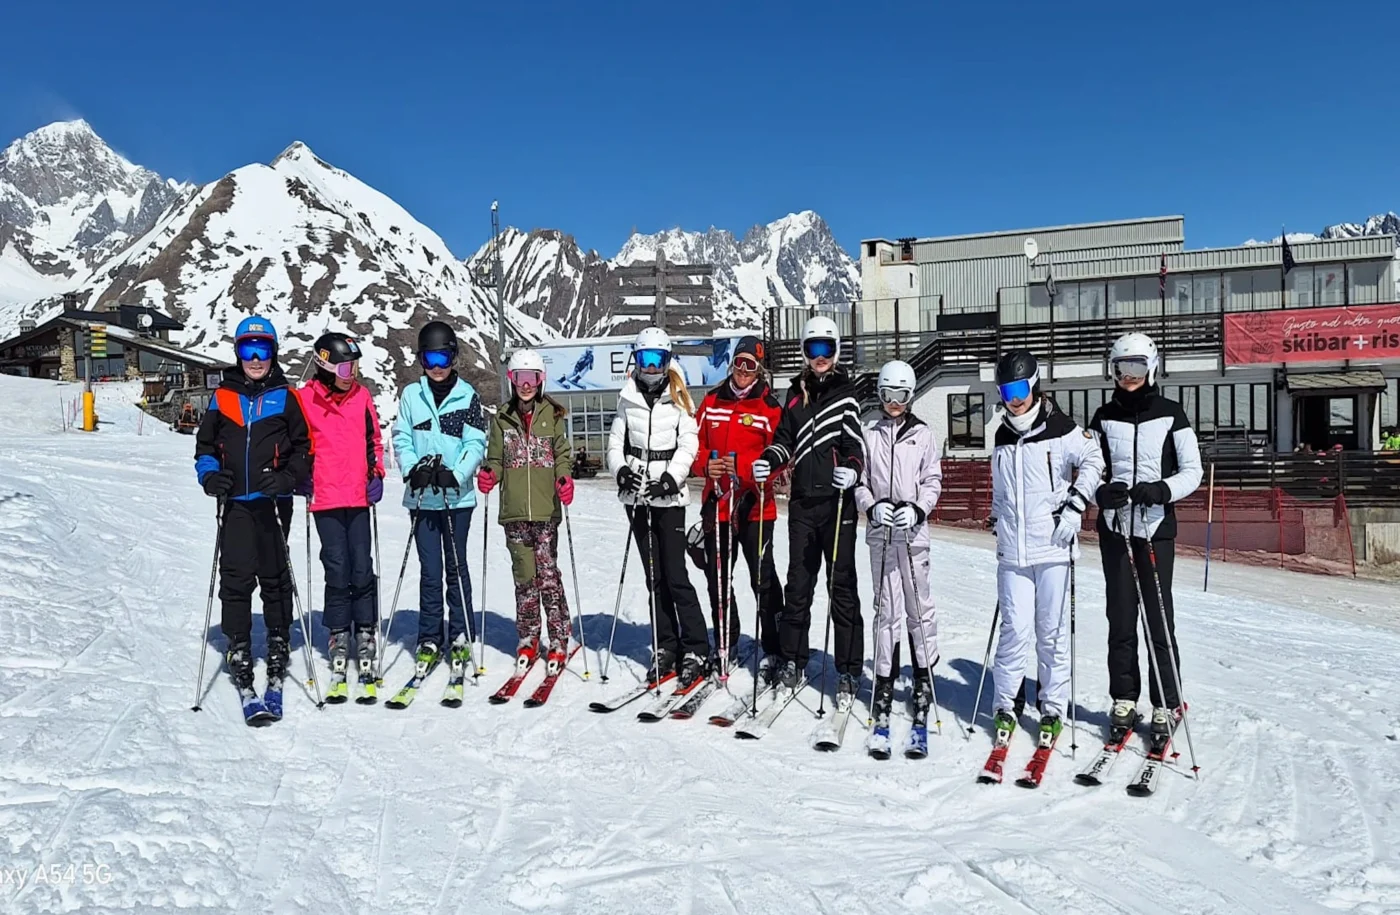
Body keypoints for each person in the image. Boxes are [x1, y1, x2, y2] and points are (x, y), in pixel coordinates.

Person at [987, 350, 1103, 754]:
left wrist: (1075, 506)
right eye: (1006, 391)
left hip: (1053, 547)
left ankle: (1052, 707)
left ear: (1034, 385)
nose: (1014, 399)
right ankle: (1005, 704)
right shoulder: (1001, 434)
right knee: (1014, 632)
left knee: (1050, 635)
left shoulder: (1061, 427)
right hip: (1013, 553)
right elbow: (1002, 492)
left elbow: (1092, 459)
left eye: (1020, 389)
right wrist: (997, 519)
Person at [194, 316, 311, 713]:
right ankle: (239, 644)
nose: (256, 358)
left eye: (263, 349)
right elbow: (205, 446)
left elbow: (303, 448)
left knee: (276, 574)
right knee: (237, 576)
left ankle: (278, 637)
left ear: (273, 352)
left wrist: (289, 477)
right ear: (238, 353)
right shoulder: (222, 397)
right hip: (236, 503)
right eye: (248, 349)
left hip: (274, 501)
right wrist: (210, 477)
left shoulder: (286, 396)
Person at [1090, 332, 1202, 746]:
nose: (1129, 376)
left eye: (1136, 368)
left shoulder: (1172, 414)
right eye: (1121, 369)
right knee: (1120, 617)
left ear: (1151, 368)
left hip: (1155, 528)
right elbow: (1090, 470)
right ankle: (1124, 697)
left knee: (1158, 617)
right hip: (1117, 529)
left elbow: (1193, 470)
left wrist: (1161, 490)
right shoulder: (1102, 416)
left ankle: (1165, 702)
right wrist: (1098, 493)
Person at [752, 316, 865, 699]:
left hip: (837, 505)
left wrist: (851, 471)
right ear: (805, 351)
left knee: (842, 586)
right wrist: (770, 458)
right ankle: (792, 660)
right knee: (798, 585)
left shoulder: (846, 394)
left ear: (836, 353)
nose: (820, 357)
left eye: (827, 350)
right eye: (814, 350)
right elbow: (785, 440)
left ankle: (848, 671)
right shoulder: (795, 396)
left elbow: (856, 447)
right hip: (802, 503)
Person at [390, 321, 489, 695]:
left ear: (453, 357)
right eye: (430, 358)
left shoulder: (467, 396)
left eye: (443, 357)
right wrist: (412, 468)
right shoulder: (412, 395)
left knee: (456, 566)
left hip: (456, 498)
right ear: (421, 360)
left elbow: (476, 441)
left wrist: (459, 473)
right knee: (430, 570)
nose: (437, 366)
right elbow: (401, 437)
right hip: (422, 498)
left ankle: (460, 631)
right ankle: (430, 636)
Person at [606, 327, 707, 688]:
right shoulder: (626, 397)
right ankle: (666, 644)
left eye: (658, 361)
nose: (651, 368)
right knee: (654, 576)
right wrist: (621, 474)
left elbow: (689, 444)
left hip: (669, 497)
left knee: (675, 574)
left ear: (667, 362)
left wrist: (672, 477)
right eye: (645, 360)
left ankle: (696, 646)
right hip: (638, 497)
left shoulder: (679, 398)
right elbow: (616, 444)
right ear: (636, 360)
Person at [852, 360, 942, 731]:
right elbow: (860, 481)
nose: (893, 402)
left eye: (901, 395)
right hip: (882, 536)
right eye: (888, 395)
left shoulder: (923, 435)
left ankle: (924, 677)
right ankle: (885, 679)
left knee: (918, 607)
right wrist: (871, 507)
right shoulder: (868, 432)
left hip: (913, 535)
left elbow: (932, 480)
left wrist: (918, 509)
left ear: (911, 394)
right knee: (885, 609)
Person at [689, 335, 785, 679]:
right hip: (718, 508)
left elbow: (779, 459)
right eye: (739, 363)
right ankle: (726, 642)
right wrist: (704, 465)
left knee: (763, 579)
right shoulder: (712, 401)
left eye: (751, 366)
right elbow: (692, 446)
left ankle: (776, 648)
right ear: (732, 364)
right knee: (718, 579)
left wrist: (741, 467)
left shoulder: (769, 407)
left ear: (759, 370)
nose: (744, 371)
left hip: (756, 508)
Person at [476, 349, 575, 676]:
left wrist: (564, 476)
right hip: (514, 513)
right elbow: (495, 459)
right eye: (520, 379)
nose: (526, 385)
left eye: (532, 378)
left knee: (547, 577)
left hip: (546, 512)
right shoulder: (501, 418)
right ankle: (529, 636)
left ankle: (560, 636)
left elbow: (562, 454)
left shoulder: (554, 416)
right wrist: (490, 473)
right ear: (511, 380)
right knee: (525, 580)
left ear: (540, 380)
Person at [298, 332, 385, 702]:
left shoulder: (361, 397)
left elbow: (374, 441)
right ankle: (338, 632)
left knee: (361, 565)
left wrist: (377, 473)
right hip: (327, 496)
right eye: (347, 366)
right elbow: (295, 441)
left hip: (358, 495)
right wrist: (299, 474)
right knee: (336, 565)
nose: (353, 373)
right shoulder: (304, 399)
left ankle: (365, 628)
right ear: (326, 365)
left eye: (356, 366)